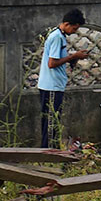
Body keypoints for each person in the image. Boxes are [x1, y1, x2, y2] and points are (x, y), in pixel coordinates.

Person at [36, 9, 89, 148]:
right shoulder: (57, 37)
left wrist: (71, 58)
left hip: (53, 84)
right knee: (51, 122)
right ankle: (49, 153)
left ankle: (50, 151)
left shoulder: (58, 34)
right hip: (51, 85)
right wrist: (73, 56)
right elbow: (52, 63)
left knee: (51, 121)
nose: (74, 31)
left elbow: (57, 57)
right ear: (66, 24)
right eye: (74, 28)